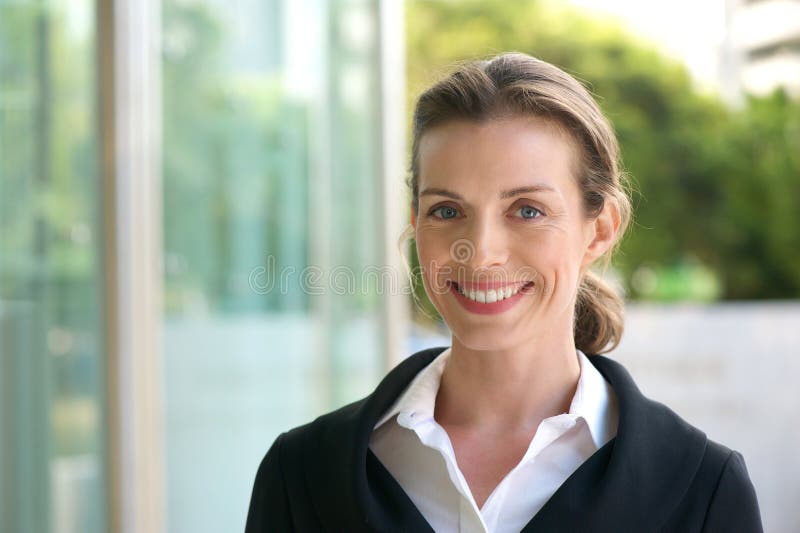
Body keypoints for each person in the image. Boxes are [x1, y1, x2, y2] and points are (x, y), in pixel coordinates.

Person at [245, 52, 763, 532]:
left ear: (600, 228)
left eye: (527, 210)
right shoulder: (302, 477)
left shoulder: (702, 491)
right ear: (415, 224)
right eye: (447, 211)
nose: (481, 250)